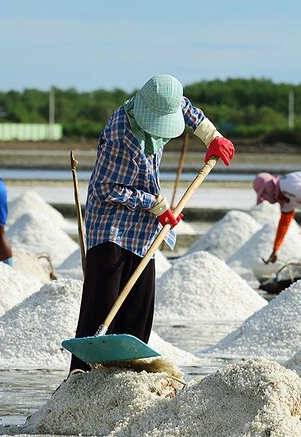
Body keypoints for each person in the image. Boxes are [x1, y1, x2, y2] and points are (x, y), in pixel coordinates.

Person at [69, 74, 235, 373]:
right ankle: (82, 376)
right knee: (103, 300)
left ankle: (131, 374)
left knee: (140, 300)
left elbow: (186, 109)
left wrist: (212, 136)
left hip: (143, 225)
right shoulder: (120, 134)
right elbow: (106, 189)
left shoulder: (164, 100)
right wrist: (156, 205)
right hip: (110, 223)